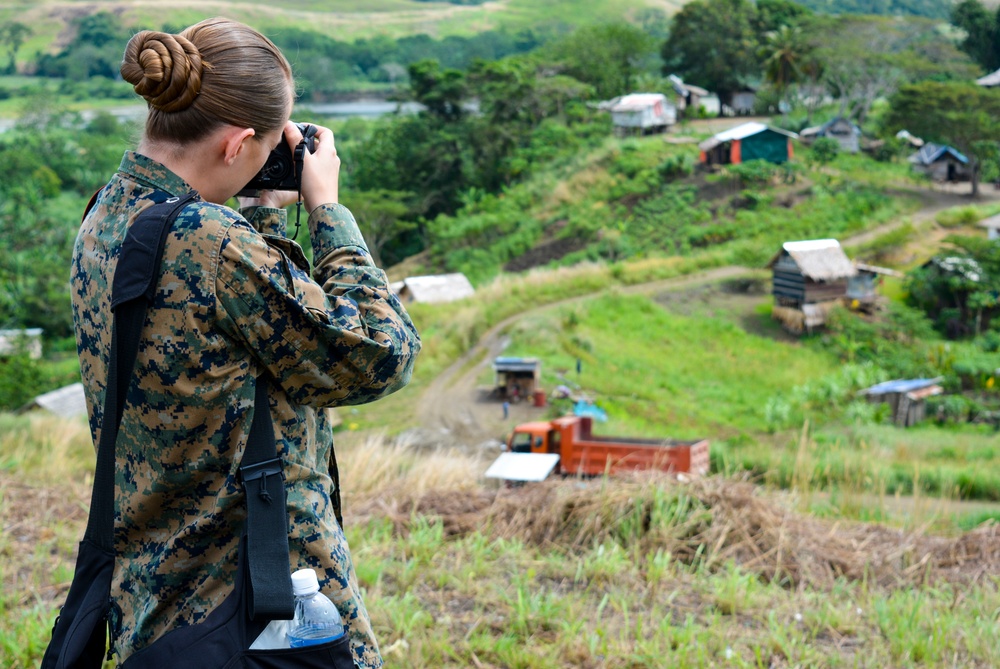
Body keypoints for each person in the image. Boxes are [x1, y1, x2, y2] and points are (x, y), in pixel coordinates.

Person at [71, 17, 420, 668]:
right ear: (236, 143)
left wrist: (258, 203)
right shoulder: (216, 246)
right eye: (262, 148)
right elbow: (381, 350)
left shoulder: (106, 216)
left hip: (156, 598)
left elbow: (213, 324)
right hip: (263, 607)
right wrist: (327, 213)